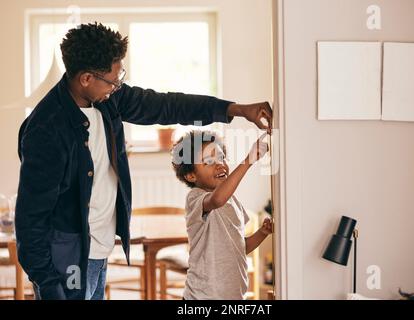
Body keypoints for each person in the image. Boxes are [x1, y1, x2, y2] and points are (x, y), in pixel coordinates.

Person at [15, 22, 272, 300]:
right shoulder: (45, 130)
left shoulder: (107, 98)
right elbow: (30, 222)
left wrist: (234, 109)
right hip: (67, 261)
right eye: (113, 80)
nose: (118, 86)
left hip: (99, 251)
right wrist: (51, 287)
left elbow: (166, 105)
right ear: (86, 78)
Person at [171, 130, 273, 299]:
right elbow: (216, 199)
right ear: (191, 175)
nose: (220, 164)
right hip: (201, 296)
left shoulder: (233, 202)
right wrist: (248, 161)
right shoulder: (195, 198)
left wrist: (262, 233)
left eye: (221, 157)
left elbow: (239, 247)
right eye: (209, 161)